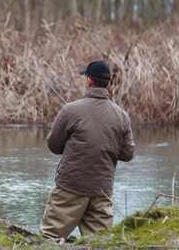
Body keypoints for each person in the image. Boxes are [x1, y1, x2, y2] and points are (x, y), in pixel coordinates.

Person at [40, 60, 135, 242]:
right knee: (99, 242)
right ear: (107, 82)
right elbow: (127, 154)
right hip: (102, 190)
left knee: (49, 239)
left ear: (89, 80)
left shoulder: (70, 110)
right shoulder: (122, 116)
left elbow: (53, 146)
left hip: (70, 187)